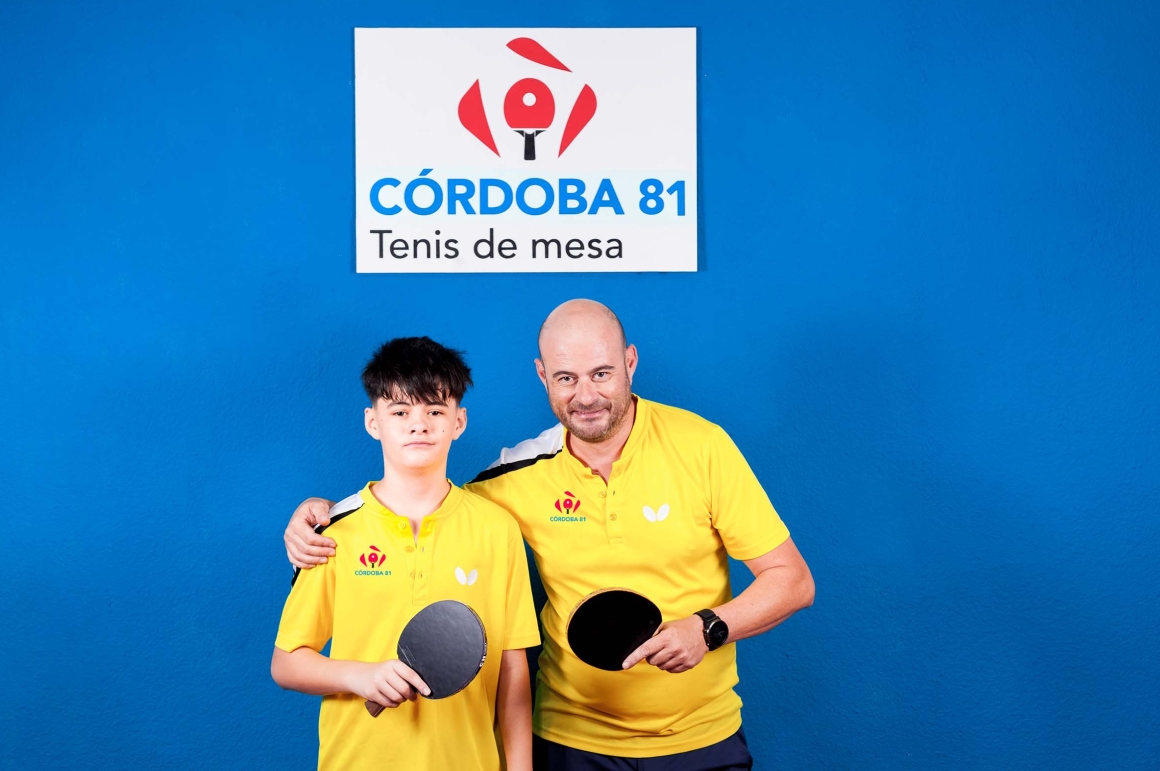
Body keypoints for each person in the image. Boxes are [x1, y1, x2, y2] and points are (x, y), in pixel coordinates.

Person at [285, 302, 815, 771]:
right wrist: (324, 514)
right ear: (542, 375)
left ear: (630, 362)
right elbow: (424, 498)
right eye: (566, 378)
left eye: (602, 373)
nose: (586, 395)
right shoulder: (511, 481)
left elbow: (792, 580)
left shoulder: (703, 446)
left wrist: (708, 628)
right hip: (571, 743)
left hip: (703, 737)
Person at [271, 336, 540, 771]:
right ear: (372, 421)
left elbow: (513, 669)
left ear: (459, 421)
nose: (419, 425)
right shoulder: (333, 530)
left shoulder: (497, 529)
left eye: (435, 411)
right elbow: (286, 663)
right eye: (400, 412)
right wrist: (359, 676)